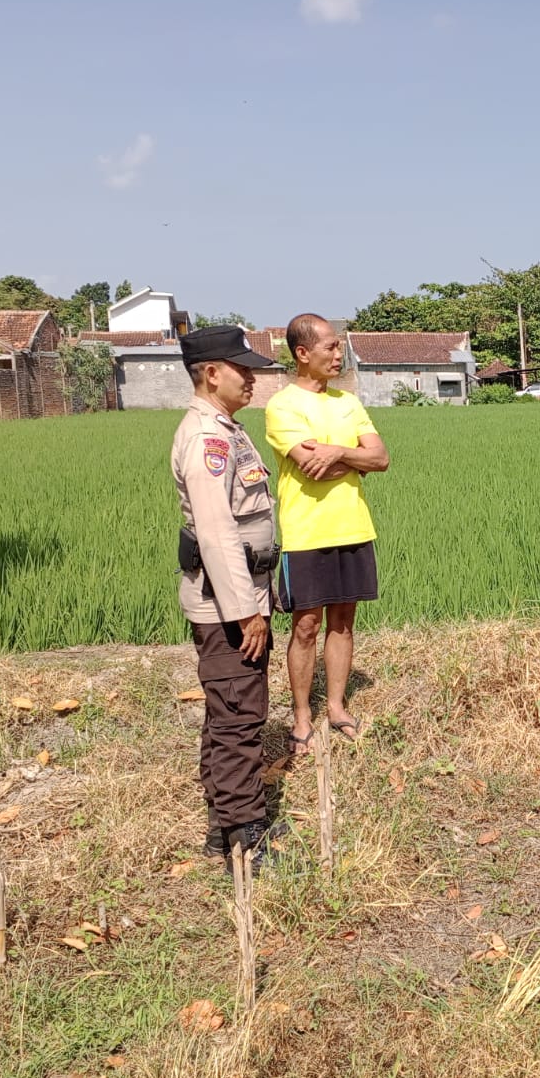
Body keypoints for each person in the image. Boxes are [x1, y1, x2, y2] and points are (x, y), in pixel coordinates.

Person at [170, 324, 281, 870]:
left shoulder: (227, 430)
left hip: (238, 596)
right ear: (212, 373)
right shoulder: (206, 439)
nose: (253, 380)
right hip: (227, 606)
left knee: (228, 714)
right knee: (239, 718)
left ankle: (222, 826)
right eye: (244, 370)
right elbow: (215, 531)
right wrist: (246, 612)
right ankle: (247, 838)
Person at [264, 314, 390, 752]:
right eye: (331, 347)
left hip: (353, 525)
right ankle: (302, 718)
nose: (339, 355)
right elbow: (309, 468)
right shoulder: (282, 406)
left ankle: (336, 708)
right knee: (305, 626)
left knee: (343, 622)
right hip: (305, 532)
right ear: (303, 353)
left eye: (339, 347)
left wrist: (337, 451)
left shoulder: (347, 403)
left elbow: (381, 459)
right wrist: (355, 456)